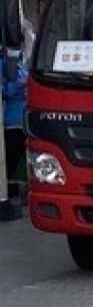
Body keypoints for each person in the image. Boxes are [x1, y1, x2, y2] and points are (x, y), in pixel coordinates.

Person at [3, 43, 27, 200]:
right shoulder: (4, 66)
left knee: (26, 159)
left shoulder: (23, 66)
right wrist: (19, 85)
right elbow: (6, 91)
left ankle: (26, 191)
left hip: (25, 121)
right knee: (11, 158)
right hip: (10, 121)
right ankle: (11, 191)